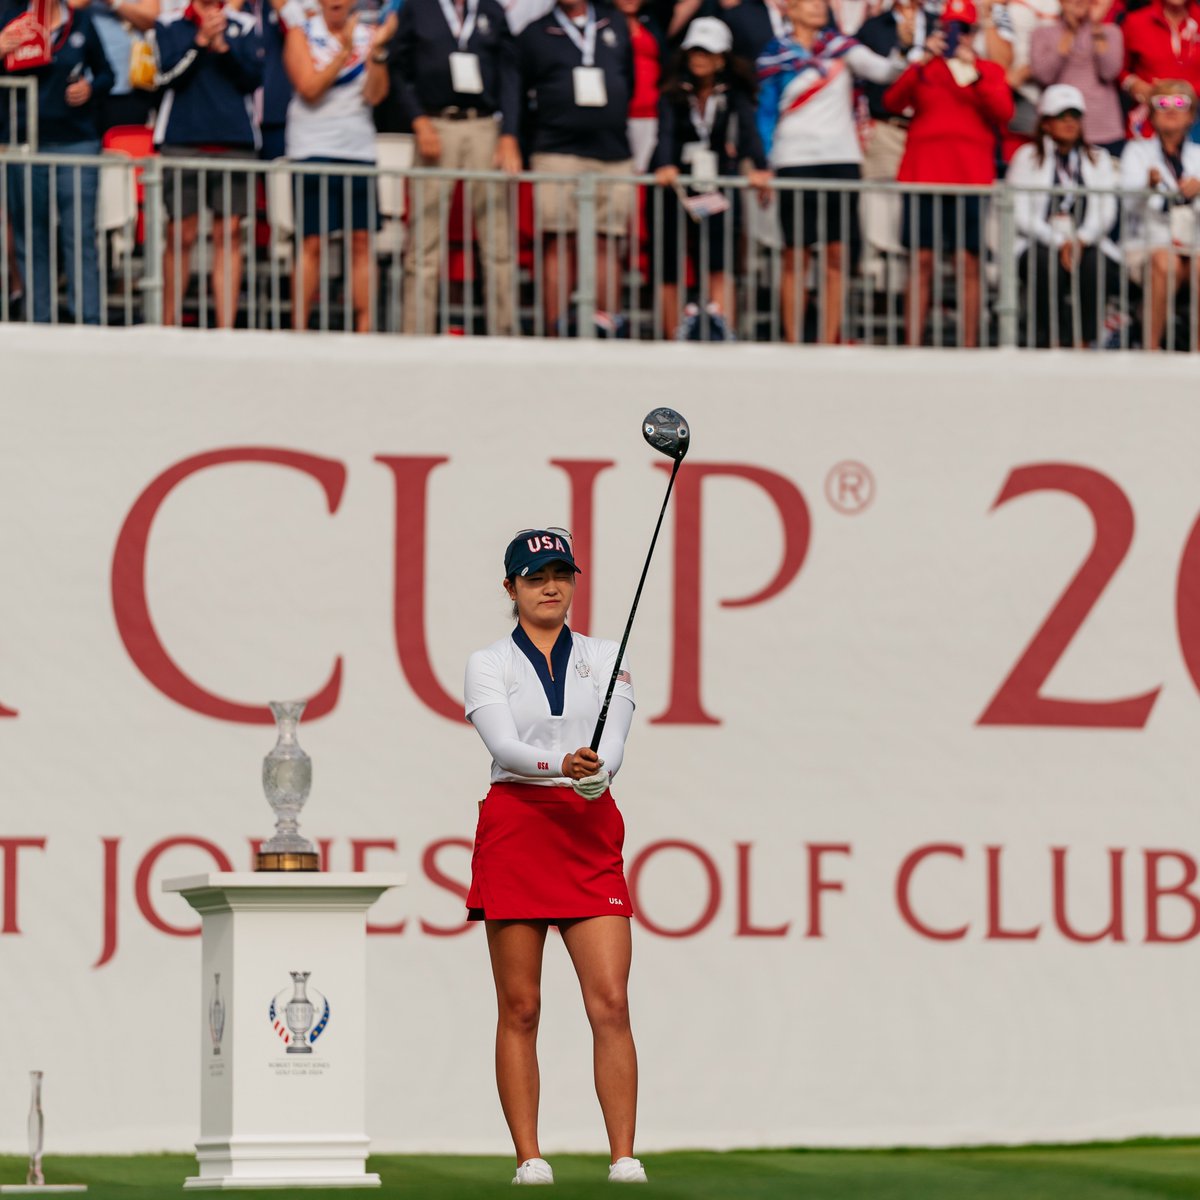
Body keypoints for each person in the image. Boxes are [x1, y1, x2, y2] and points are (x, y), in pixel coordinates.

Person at [463, 528, 645, 1187]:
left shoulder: (607, 655)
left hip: (588, 828)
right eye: (536, 575)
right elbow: (507, 748)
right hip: (518, 823)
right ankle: (529, 1156)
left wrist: (598, 772)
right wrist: (562, 765)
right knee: (521, 1005)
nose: (550, 585)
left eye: (561, 573)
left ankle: (624, 1155)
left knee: (611, 1000)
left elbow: (615, 736)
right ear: (510, 587)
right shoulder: (489, 662)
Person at [756, 0, 904, 343]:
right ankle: (793, 341)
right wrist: (765, 161)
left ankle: (829, 338)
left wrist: (906, 49)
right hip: (793, 159)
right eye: (807, 3)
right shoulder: (774, 55)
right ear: (788, 10)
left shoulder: (841, 48)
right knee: (795, 253)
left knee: (837, 253)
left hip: (841, 159)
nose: (817, 8)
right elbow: (764, 113)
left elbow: (884, 72)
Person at [883, 0, 1013, 346]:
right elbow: (892, 102)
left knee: (968, 262)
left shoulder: (988, 70)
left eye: (964, 30)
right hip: (923, 174)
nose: (958, 37)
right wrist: (920, 61)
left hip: (970, 179)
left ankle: (968, 344)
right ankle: (912, 344)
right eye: (951, 29)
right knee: (921, 260)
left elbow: (1003, 112)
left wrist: (978, 73)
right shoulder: (925, 68)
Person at [394, 0, 522, 335]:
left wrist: (509, 133)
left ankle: (504, 332)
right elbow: (398, 67)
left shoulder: (491, 10)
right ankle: (415, 332)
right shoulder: (418, 8)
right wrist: (418, 120)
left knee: (497, 240)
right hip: (436, 124)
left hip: (483, 126)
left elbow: (510, 73)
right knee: (424, 239)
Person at [517, 0, 635, 333]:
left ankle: (607, 325)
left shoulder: (613, 23)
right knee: (558, 239)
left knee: (608, 240)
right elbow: (520, 92)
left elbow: (629, 80)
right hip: (556, 149)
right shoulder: (535, 33)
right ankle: (556, 328)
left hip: (612, 151)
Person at [650, 16, 769, 334]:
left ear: (721, 58)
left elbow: (748, 134)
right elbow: (665, 134)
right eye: (695, 52)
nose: (700, 59)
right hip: (674, 184)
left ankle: (722, 325)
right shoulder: (673, 93)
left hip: (718, 181)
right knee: (669, 258)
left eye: (707, 53)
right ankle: (671, 331)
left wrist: (759, 167)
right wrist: (665, 164)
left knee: (721, 256)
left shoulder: (735, 96)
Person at [0, 0, 114, 324]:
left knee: (79, 234)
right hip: (24, 143)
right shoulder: (9, 18)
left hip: (76, 142)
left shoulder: (81, 21)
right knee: (30, 236)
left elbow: (108, 73)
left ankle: (88, 321)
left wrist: (90, 87)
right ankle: (38, 319)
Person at [153, 0, 265, 327]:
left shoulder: (243, 24)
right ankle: (168, 325)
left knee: (229, 234)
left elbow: (252, 79)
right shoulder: (169, 24)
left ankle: (225, 329)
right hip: (182, 140)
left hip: (235, 141)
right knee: (180, 234)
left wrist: (223, 49)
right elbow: (167, 76)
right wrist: (201, 42)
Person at [283, 0, 392, 332]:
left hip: (358, 148)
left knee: (361, 241)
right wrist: (344, 53)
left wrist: (377, 54)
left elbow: (375, 95)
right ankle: (299, 329)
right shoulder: (301, 35)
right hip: (311, 148)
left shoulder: (370, 36)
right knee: (312, 241)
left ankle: (365, 328)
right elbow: (310, 89)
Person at [1008, 82, 1117, 345]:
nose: (1070, 123)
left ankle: (1085, 341)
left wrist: (1080, 240)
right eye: (1061, 117)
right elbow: (1021, 214)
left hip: (1085, 240)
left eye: (1075, 116)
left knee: (1094, 264)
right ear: (1045, 123)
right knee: (1044, 263)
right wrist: (1059, 242)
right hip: (1039, 240)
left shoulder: (1098, 158)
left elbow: (1106, 210)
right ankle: (1050, 341)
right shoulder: (1027, 156)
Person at [1119, 78, 1200, 348]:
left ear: (1191, 115)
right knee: (1166, 262)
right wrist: (1149, 187)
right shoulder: (1136, 151)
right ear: (1151, 114)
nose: (1171, 108)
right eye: (1162, 103)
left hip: (1194, 244)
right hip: (1148, 243)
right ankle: (1150, 349)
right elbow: (1127, 204)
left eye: (1181, 103)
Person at [1029, 0, 1125, 156]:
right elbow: (1044, 76)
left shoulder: (1110, 32)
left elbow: (1109, 72)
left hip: (1103, 127)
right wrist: (1070, 33)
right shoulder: (1042, 33)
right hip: (1059, 128)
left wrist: (1096, 28)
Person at [1120, 0, 1200, 140]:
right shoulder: (1136, 21)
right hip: (1149, 120)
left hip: (1196, 120)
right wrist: (1132, 83)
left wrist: (1186, 92)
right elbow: (1117, 69)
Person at [613, 0, 664, 172]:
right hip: (616, 112)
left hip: (650, 112)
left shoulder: (653, 21)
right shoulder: (601, 23)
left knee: (641, 173)